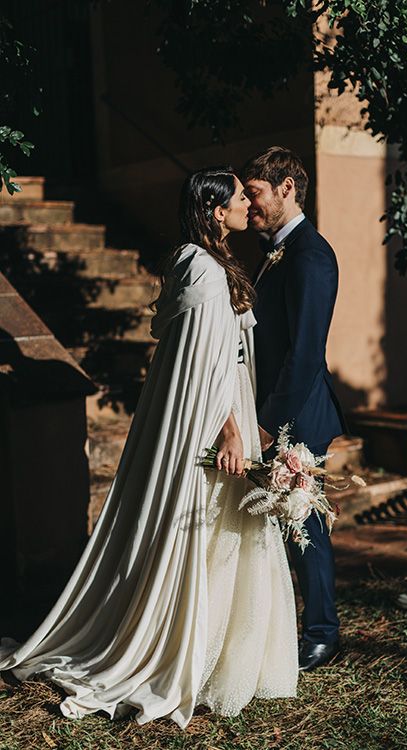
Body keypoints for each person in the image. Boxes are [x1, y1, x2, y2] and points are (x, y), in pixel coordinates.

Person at [0, 167, 298, 727]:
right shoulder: (203, 269)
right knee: (203, 526)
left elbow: (223, 359)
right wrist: (232, 429)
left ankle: (223, 651)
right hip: (214, 421)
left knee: (225, 531)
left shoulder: (207, 263)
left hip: (229, 407)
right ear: (215, 211)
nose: (245, 205)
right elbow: (206, 369)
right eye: (237, 198)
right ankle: (179, 648)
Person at [243, 146, 346, 672]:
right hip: (274, 409)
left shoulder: (310, 253)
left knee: (304, 525)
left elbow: (306, 352)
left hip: (296, 414)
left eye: (255, 192)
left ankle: (323, 634)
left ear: (286, 187)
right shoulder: (276, 250)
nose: (248, 203)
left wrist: (266, 423)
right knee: (283, 524)